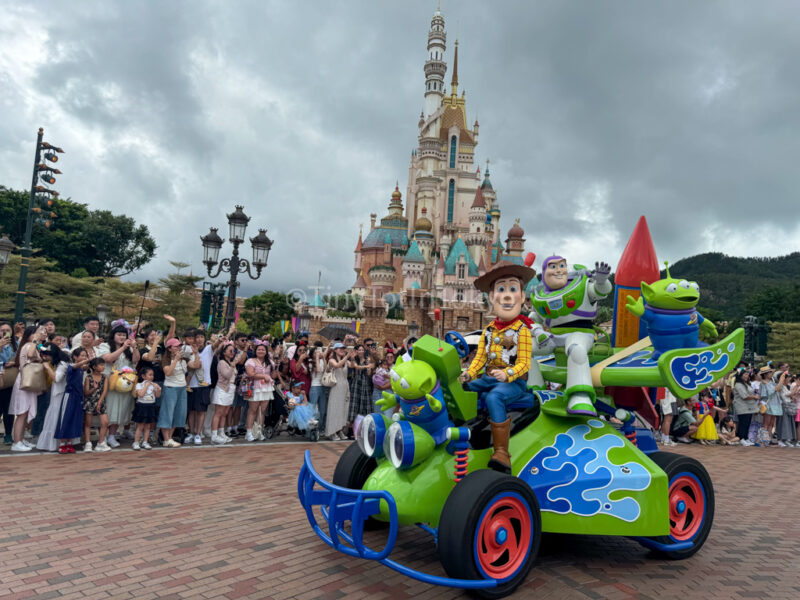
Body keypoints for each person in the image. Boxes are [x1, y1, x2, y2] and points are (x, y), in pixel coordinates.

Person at [462, 260, 536, 472]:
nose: (506, 295)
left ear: (521, 297)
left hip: (513, 383)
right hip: (488, 379)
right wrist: (468, 374)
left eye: (512, 289)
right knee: (462, 390)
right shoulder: (489, 330)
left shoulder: (522, 330)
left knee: (494, 397)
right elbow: (480, 359)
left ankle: (502, 452)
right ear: (492, 298)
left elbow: (524, 363)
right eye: (500, 289)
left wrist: (508, 374)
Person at [529, 256, 612, 416]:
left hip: (580, 332)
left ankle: (580, 395)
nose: (558, 270)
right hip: (553, 336)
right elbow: (532, 320)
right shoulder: (541, 295)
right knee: (526, 349)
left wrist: (601, 281)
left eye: (561, 265)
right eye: (553, 267)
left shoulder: (582, 285)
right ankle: (534, 387)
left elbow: (600, 292)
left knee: (576, 349)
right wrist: (538, 331)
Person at [10, 325, 51, 452]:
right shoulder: (29, 345)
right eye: (36, 333)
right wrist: (35, 340)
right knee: (22, 413)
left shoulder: (33, 345)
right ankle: (17, 441)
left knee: (25, 412)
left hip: (28, 382)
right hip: (25, 382)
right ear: (29, 335)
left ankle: (20, 439)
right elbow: (30, 354)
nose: (39, 335)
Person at [36, 344, 83, 452]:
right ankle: (63, 443)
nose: (45, 358)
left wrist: (47, 367)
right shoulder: (62, 362)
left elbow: (57, 378)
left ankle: (60, 443)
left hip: (61, 395)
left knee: (58, 417)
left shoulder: (62, 364)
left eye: (46, 355)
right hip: (60, 393)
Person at [101, 325, 140, 447]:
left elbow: (135, 360)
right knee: (110, 409)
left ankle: (112, 435)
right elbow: (109, 358)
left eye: (124, 335)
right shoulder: (106, 346)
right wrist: (123, 347)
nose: (122, 337)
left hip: (125, 384)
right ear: (113, 336)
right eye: (119, 335)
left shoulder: (129, 348)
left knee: (121, 410)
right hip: (111, 383)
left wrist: (134, 347)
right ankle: (103, 436)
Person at [185, 329, 216, 445]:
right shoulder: (188, 350)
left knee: (201, 411)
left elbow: (216, 344)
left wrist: (219, 338)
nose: (199, 339)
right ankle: (191, 433)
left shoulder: (208, 349)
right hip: (190, 384)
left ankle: (198, 433)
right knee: (191, 411)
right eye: (197, 337)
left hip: (204, 384)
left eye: (201, 337)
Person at [159, 338, 190, 447]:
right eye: (176, 346)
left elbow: (196, 365)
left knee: (179, 414)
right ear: (169, 348)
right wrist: (175, 360)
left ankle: (170, 438)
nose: (179, 348)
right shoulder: (166, 359)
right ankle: (166, 439)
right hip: (170, 388)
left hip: (182, 388)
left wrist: (195, 353)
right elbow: (168, 372)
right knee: (167, 413)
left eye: (180, 346)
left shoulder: (184, 359)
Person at [244, 341, 273, 441]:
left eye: (263, 349)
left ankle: (259, 431)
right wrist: (264, 376)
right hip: (255, 388)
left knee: (262, 411)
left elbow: (273, 375)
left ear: (266, 351)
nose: (261, 351)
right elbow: (250, 374)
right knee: (253, 410)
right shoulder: (251, 361)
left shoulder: (269, 362)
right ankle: (249, 432)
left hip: (267, 388)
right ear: (255, 351)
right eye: (259, 349)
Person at [83, 358, 111, 452]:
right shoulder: (88, 377)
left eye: (103, 365)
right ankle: (88, 443)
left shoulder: (105, 377)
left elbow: (105, 390)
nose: (103, 367)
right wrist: (94, 389)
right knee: (88, 423)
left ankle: (101, 442)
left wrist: (100, 402)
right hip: (90, 401)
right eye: (101, 365)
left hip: (101, 401)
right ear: (94, 367)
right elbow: (86, 392)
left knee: (105, 422)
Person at [211, 342, 237, 444]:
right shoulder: (222, 362)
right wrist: (232, 366)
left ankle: (221, 432)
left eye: (233, 351)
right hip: (222, 388)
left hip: (230, 388)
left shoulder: (230, 362)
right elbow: (226, 375)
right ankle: (214, 435)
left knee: (225, 412)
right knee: (218, 412)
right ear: (224, 352)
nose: (232, 352)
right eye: (230, 350)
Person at [324, 343, 350, 441]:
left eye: (344, 348)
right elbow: (338, 365)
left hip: (344, 386)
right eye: (340, 348)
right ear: (335, 350)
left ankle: (339, 430)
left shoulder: (345, 361)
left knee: (343, 410)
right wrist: (347, 356)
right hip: (336, 387)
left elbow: (354, 366)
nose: (343, 350)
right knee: (335, 409)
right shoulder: (331, 360)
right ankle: (332, 432)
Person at [346, 344, 374, 436]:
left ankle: (364, 430)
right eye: (359, 350)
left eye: (362, 350)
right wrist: (353, 358)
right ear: (356, 351)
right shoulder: (355, 360)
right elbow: (355, 366)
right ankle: (351, 430)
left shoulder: (367, 360)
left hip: (365, 385)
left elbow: (369, 373)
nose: (361, 351)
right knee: (354, 407)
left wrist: (369, 367)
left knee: (365, 406)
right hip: (356, 384)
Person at [131, 366, 160, 450]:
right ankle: (136, 442)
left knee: (148, 426)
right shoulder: (139, 385)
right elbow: (141, 394)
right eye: (150, 375)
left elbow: (157, 396)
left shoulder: (153, 385)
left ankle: (145, 442)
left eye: (152, 375)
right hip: (142, 406)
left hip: (151, 406)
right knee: (140, 426)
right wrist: (146, 385)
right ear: (143, 376)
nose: (152, 377)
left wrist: (158, 389)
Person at [0, 320, 20, 445]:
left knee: (8, 409)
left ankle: (8, 434)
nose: (5, 332)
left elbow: (21, 359)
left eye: (8, 330)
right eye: (2, 330)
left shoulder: (16, 344)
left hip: (10, 381)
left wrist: (13, 363)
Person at [732, 369, 758, 447]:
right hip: (742, 406)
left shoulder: (746, 384)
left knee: (747, 423)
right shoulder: (738, 384)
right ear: (740, 376)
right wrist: (754, 396)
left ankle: (746, 438)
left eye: (747, 374)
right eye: (745, 374)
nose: (747, 376)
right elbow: (744, 396)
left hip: (749, 406)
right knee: (743, 423)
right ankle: (741, 438)